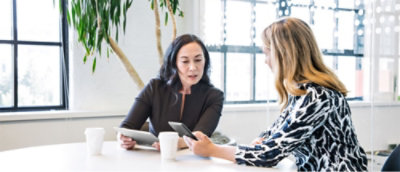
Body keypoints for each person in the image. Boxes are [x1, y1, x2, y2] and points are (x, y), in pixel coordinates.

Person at [183, 17, 368, 171]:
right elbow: (274, 136)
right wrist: (261, 141)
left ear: (284, 55)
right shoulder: (301, 94)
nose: (265, 61)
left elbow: (269, 155)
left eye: (267, 53)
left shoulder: (318, 96)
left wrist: (212, 150)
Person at [119, 34, 224, 150]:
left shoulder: (215, 96)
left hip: (192, 162)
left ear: (205, 61)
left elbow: (200, 136)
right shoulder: (154, 88)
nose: (193, 67)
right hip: (155, 160)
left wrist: (178, 143)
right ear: (174, 64)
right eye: (185, 61)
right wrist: (124, 138)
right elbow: (126, 127)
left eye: (198, 60)